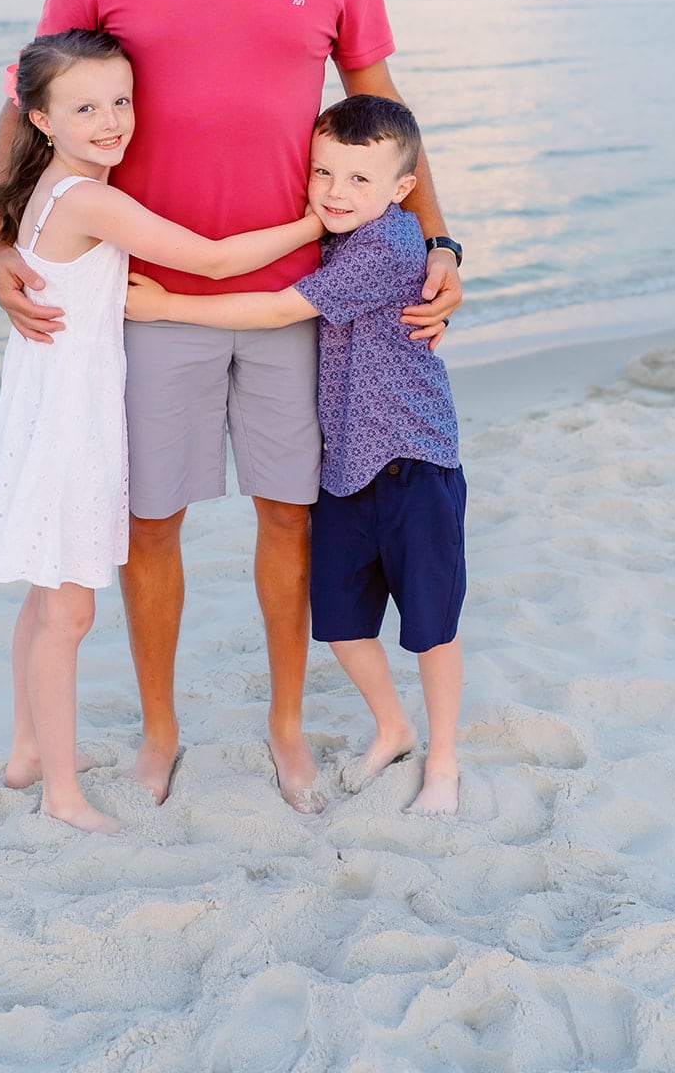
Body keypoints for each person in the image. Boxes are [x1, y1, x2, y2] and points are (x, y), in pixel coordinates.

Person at [0, 0, 463, 812]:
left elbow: (386, 114)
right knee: (150, 524)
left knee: (289, 515)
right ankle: (158, 734)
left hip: (298, 300)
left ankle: (286, 729)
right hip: (145, 302)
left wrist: (437, 243)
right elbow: (31, 99)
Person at [0, 29, 323, 834]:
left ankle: (28, 751)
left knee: (41, 594)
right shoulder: (90, 198)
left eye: (121, 100)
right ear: (38, 118)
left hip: (44, 403)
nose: (111, 121)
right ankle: (61, 793)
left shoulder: (45, 188)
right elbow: (212, 260)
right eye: (85, 106)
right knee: (69, 616)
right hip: (69, 417)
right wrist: (311, 226)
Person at [126, 95, 466, 815]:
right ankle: (392, 726)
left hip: (412, 461)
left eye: (359, 180)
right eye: (323, 173)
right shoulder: (339, 236)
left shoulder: (386, 247)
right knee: (339, 621)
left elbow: (281, 310)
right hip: (346, 466)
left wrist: (167, 307)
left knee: (430, 626)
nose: (336, 193)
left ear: (403, 189)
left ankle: (442, 763)